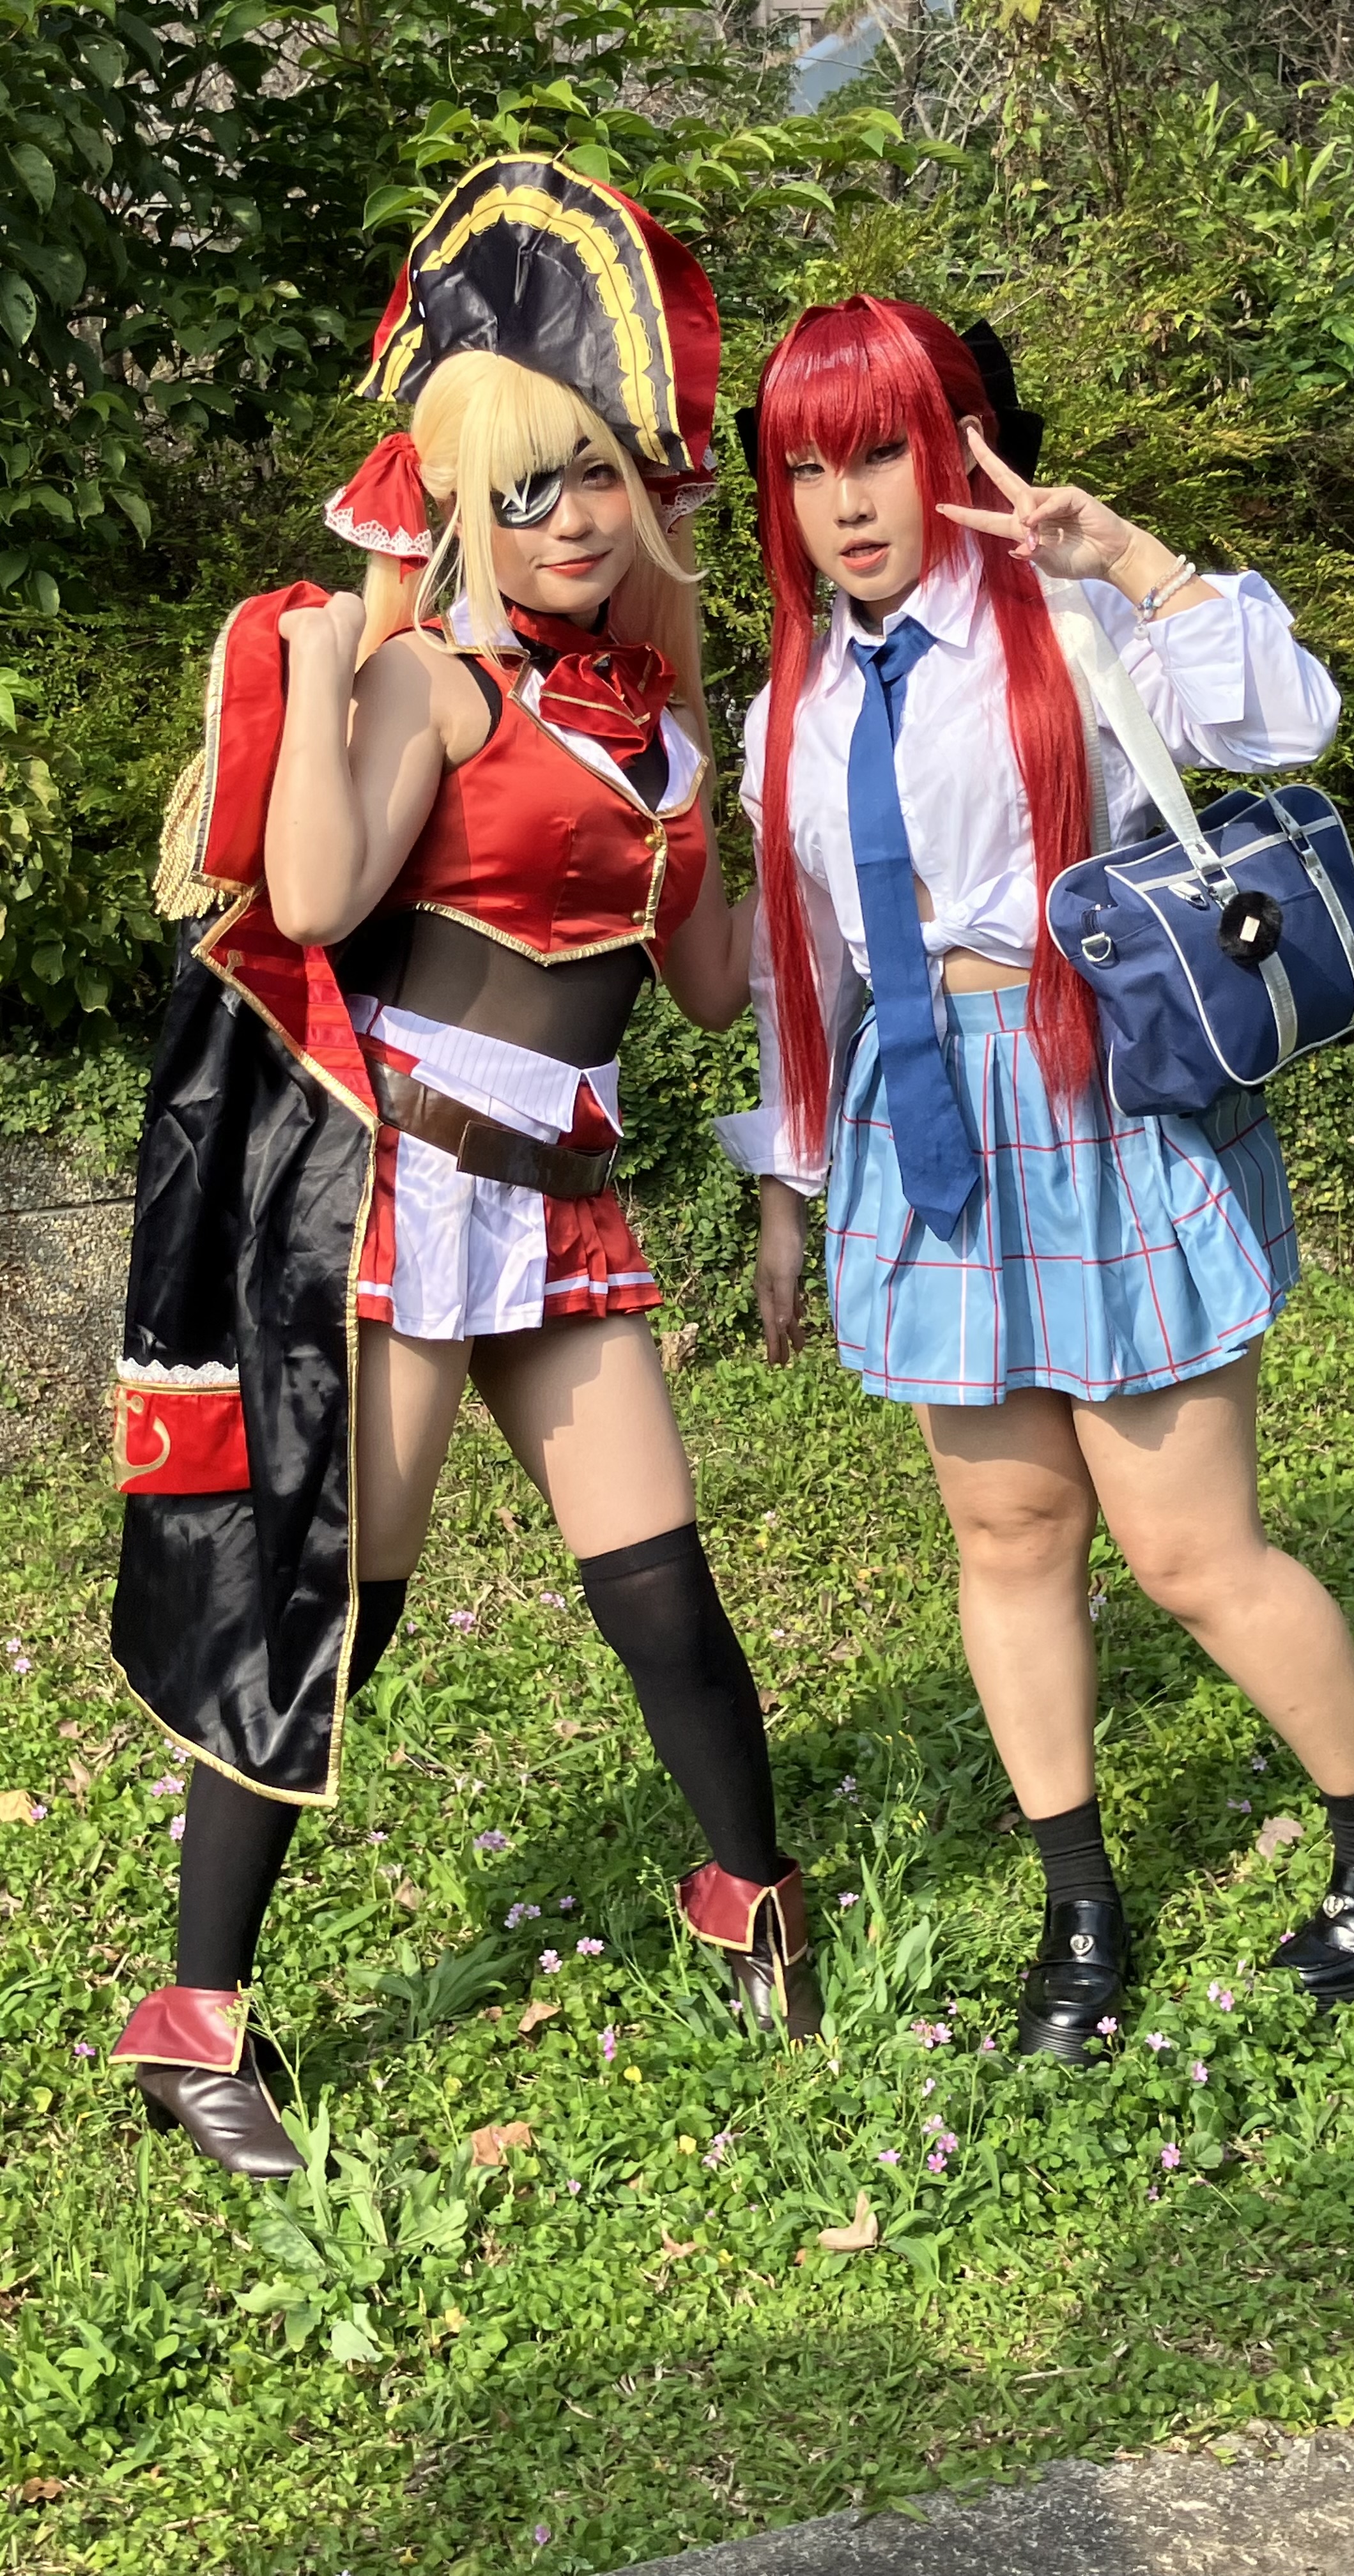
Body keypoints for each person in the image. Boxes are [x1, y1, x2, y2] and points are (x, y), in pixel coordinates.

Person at [108, 158, 822, 2182]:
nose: (573, 517)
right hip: (408, 1197)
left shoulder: (660, 729)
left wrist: (759, 823)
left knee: (661, 1588)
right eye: (525, 490)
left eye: (594, 475)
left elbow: (702, 989)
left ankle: (749, 1905)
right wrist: (339, 659)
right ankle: (193, 2019)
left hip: (567, 1196)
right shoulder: (431, 678)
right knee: (347, 1602)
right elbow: (321, 895)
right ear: (460, 510)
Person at [717, 292, 1354, 2061]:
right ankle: (1081, 1905)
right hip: (919, 1122)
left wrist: (1130, 557)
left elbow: (1286, 724)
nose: (847, 501)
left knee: (1191, 1551)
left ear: (956, 444)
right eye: (806, 467)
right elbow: (801, 970)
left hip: (1097, 1097)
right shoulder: (787, 707)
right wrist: (787, 1185)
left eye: (880, 449)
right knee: (1008, 1531)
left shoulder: (1062, 621)